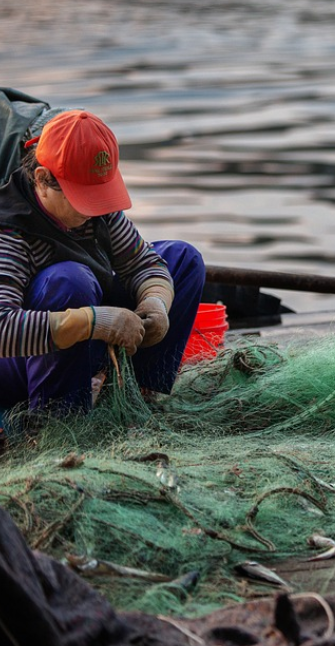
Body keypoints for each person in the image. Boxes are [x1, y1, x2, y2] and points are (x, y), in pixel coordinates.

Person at [0, 101, 205, 420]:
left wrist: (156, 304)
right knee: (70, 281)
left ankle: (140, 397)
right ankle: (58, 420)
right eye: (82, 198)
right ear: (42, 179)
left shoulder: (100, 212)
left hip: (85, 340)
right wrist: (91, 322)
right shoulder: (10, 228)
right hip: (21, 361)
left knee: (183, 259)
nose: (95, 209)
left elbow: (144, 263)